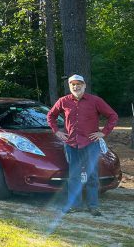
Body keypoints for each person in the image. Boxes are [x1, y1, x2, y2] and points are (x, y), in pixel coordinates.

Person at [47, 74, 118, 216]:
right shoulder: (63, 101)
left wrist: (103, 133)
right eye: (73, 84)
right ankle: (75, 205)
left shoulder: (95, 101)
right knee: (74, 176)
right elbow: (50, 116)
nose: (76, 86)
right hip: (72, 144)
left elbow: (113, 116)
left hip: (91, 144)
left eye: (79, 84)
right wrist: (57, 132)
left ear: (84, 85)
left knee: (92, 175)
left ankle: (93, 206)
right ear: (70, 86)